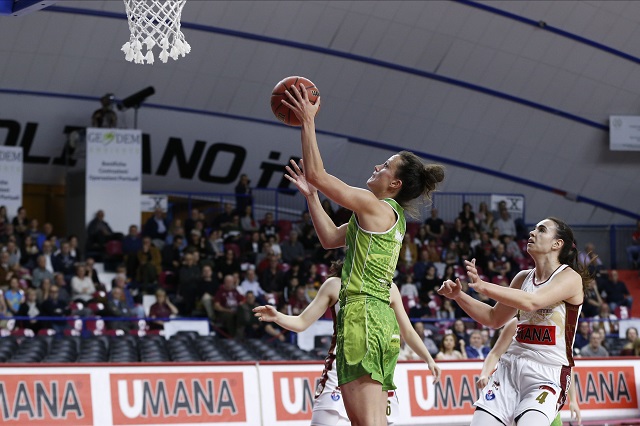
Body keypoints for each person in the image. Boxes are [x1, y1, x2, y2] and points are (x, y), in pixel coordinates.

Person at [282, 83, 445, 426]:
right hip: (370, 318)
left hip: (365, 315)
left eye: (386, 166)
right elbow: (328, 239)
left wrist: (307, 121)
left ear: (395, 184)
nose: (378, 167)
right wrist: (312, 197)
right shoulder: (377, 217)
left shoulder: (377, 206)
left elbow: (318, 174)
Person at [438, 217, 590, 426]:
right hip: (509, 368)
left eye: (541, 230)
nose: (532, 233)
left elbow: (531, 301)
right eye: (534, 229)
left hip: (546, 374)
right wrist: (459, 296)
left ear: (557, 244)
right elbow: (493, 318)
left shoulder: (570, 278)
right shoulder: (522, 278)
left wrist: (482, 286)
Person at [253, 261, 440, 426]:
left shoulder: (389, 288)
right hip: (340, 369)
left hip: (376, 371)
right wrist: (278, 317)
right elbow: (302, 322)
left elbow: (407, 331)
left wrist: (428, 359)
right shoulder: (335, 284)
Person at [477, 318, 581, 426]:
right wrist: (484, 374)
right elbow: (495, 353)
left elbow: (566, 366)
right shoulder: (515, 324)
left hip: (544, 387)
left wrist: (573, 400)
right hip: (512, 386)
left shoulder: (555, 326)